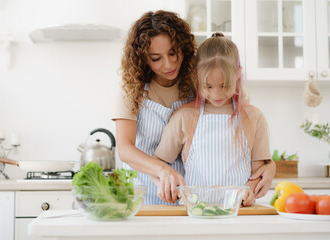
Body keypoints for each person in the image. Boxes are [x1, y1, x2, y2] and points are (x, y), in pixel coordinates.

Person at [113, 10, 275, 205]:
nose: (168, 63)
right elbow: (125, 149)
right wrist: (163, 170)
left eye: (173, 53)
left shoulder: (201, 83)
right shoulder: (133, 89)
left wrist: (270, 165)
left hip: (187, 197)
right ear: (143, 58)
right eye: (156, 58)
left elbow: (244, 129)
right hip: (142, 190)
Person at [153, 33, 274, 206]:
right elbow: (159, 162)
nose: (217, 94)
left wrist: (249, 189)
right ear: (196, 76)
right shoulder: (184, 117)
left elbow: (258, 173)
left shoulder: (254, 118)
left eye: (225, 85)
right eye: (208, 86)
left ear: (238, 74)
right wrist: (168, 183)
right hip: (193, 214)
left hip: (238, 214)